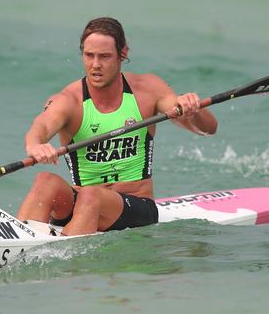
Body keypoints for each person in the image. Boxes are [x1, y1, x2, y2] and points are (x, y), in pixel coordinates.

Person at [16, 17, 218, 236]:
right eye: (89, 55)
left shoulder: (148, 90)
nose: (95, 65)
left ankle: (63, 263)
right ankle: (13, 246)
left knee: (91, 195)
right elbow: (41, 126)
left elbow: (208, 128)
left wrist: (192, 110)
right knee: (45, 181)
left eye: (104, 56)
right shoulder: (69, 100)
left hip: (136, 207)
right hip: (82, 205)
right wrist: (35, 145)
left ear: (123, 53)